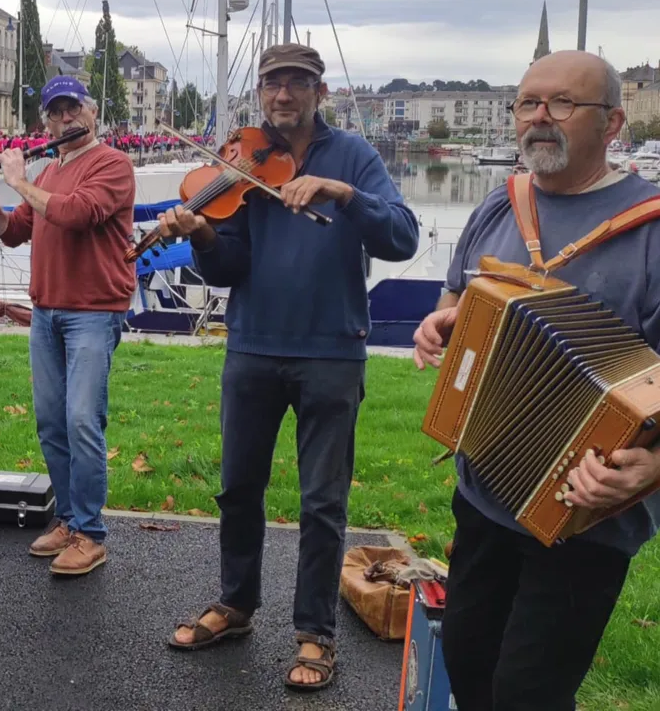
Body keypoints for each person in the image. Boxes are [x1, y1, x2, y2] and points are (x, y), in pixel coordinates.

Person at [157, 43, 420, 690]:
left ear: (318, 92)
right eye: (272, 83)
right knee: (238, 487)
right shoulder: (242, 161)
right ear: (261, 91)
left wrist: (342, 192)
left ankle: (314, 633)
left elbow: (402, 235)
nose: (282, 95)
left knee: (322, 502)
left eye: (297, 83)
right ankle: (236, 604)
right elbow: (228, 268)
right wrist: (202, 233)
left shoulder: (353, 156)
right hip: (253, 345)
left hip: (332, 350)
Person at [412, 50, 660, 711]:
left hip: (587, 514)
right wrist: (440, 326)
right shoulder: (502, 204)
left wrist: (653, 468)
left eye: (562, 103)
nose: (539, 117)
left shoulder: (651, 230)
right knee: (467, 662)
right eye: (528, 103)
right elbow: (456, 301)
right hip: (485, 492)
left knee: (529, 693)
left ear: (612, 124)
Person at [0, 76, 136, 576]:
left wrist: (19, 182)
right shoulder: (49, 171)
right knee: (52, 422)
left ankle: (91, 533)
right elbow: (12, 231)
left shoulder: (112, 164)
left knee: (82, 420)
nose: (66, 118)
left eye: (73, 108)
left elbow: (79, 214)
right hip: (47, 312)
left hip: (93, 311)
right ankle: (68, 518)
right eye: (56, 112)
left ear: (93, 111)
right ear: (47, 122)